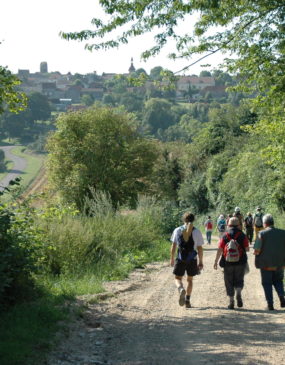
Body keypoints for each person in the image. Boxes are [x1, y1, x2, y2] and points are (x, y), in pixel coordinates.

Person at [214, 217, 249, 309]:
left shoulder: (225, 235)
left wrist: (216, 261)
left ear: (228, 225)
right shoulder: (242, 235)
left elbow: (220, 249)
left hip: (227, 263)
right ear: (238, 225)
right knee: (239, 279)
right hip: (240, 262)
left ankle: (231, 301)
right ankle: (238, 292)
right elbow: (247, 249)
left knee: (228, 281)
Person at [170, 212, 204, 308]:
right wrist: (201, 262)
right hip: (192, 259)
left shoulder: (177, 230)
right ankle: (187, 301)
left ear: (184, 219)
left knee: (177, 278)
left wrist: (172, 258)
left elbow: (173, 246)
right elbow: (200, 248)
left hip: (181, 258)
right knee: (190, 280)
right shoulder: (197, 231)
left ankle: (181, 289)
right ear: (193, 220)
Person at [254, 214, 285, 310]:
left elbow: (257, 250)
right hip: (280, 263)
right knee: (278, 281)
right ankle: (281, 296)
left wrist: (256, 255)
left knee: (267, 283)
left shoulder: (262, 234)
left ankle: (270, 304)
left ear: (264, 223)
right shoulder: (283, 233)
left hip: (266, 264)